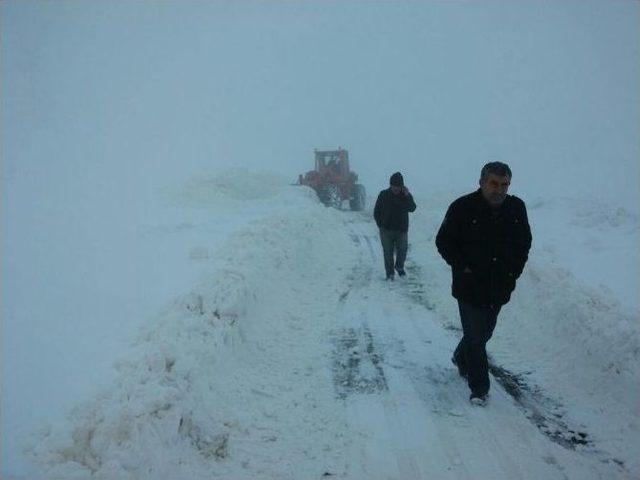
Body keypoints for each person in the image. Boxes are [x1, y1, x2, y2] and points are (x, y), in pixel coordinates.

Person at [435, 162, 532, 406]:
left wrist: (513, 274)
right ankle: (479, 388)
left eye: (504, 185)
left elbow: (524, 244)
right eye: (493, 183)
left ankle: (460, 356)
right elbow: (443, 241)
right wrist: (462, 266)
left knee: (483, 332)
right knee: (477, 337)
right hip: (469, 286)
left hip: (499, 286)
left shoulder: (516, 208)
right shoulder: (462, 207)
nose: (498, 190)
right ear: (481, 182)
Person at [374, 172, 417, 281]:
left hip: (401, 230)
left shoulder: (405, 195)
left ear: (401, 186)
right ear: (390, 185)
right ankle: (390, 274)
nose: (395, 189)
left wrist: (408, 195)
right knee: (387, 252)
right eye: (393, 186)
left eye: (398, 186)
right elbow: (376, 211)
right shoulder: (383, 195)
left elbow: (412, 208)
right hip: (386, 230)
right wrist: (380, 224)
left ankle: (399, 266)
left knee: (402, 250)